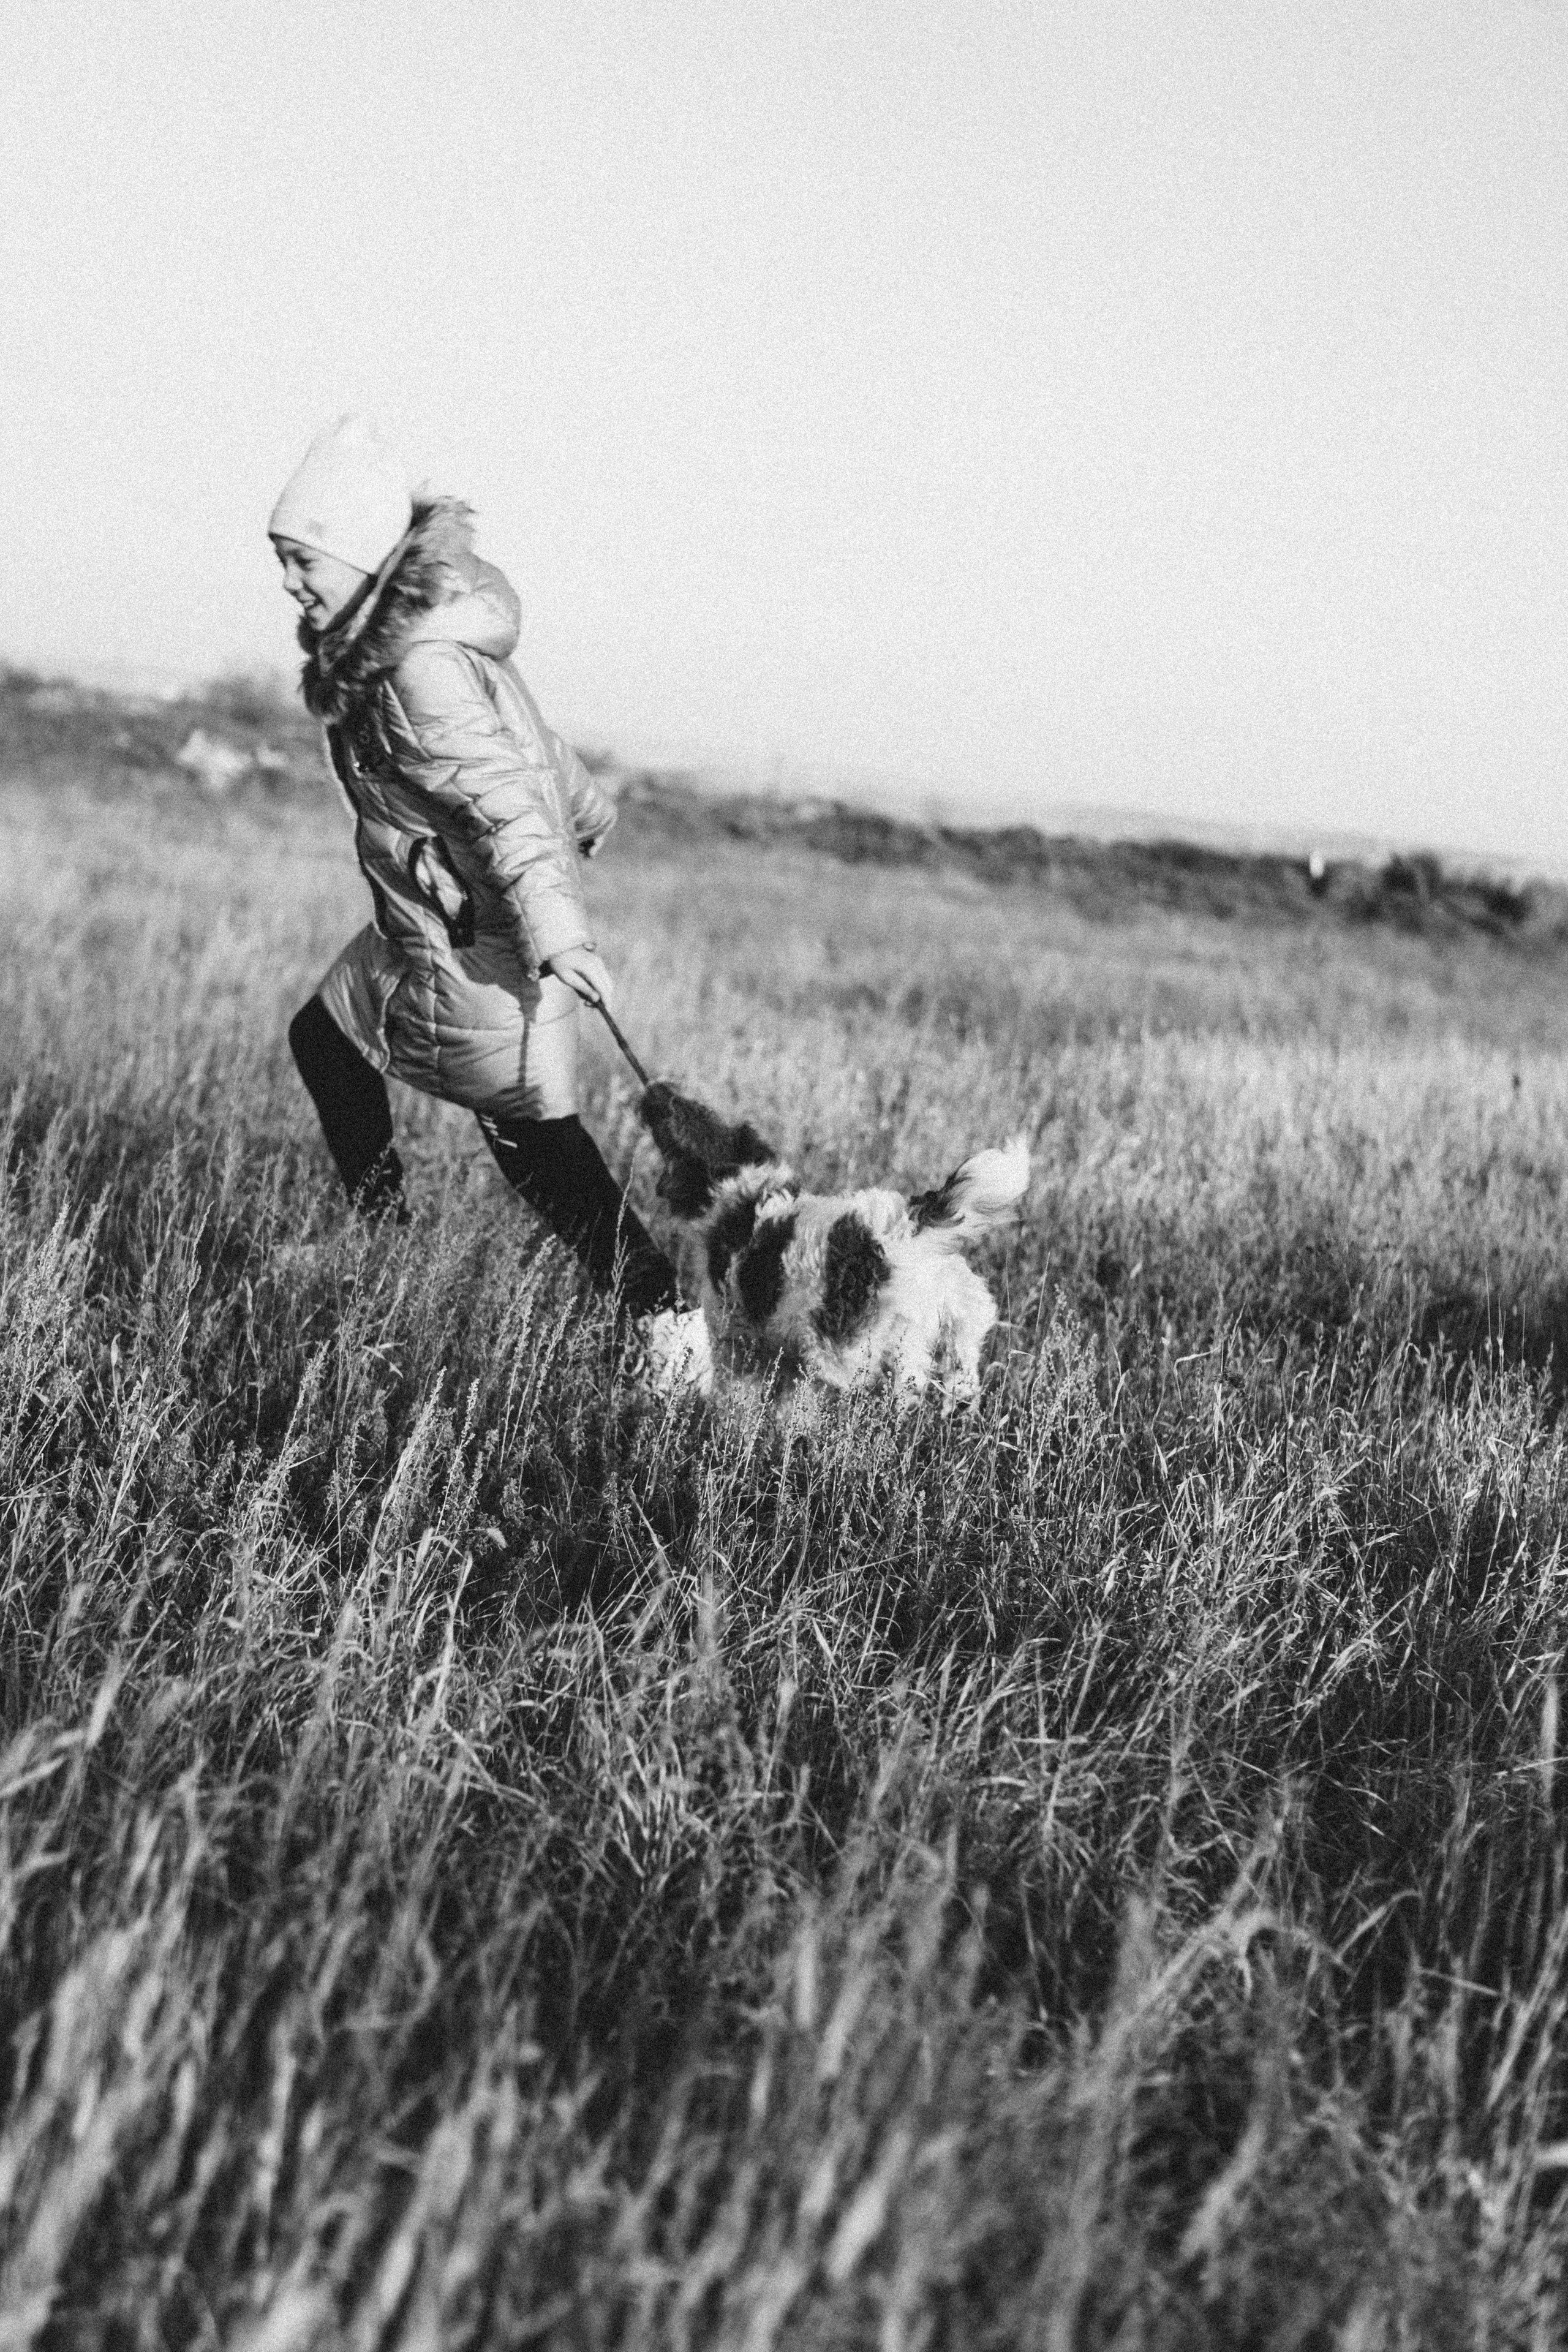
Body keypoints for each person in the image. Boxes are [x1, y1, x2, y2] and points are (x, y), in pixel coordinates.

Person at [270, 413, 690, 1349]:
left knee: (537, 1144)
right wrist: (590, 812)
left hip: (482, 937)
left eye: (304, 560)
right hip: (426, 923)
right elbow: (533, 750)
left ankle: (667, 1323)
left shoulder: (416, 664)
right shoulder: (412, 641)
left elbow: (504, 801)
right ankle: (381, 1242)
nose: (290, 581)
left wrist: (561, 933)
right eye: (283, 560)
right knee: (326, 1039)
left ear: (362, 555)